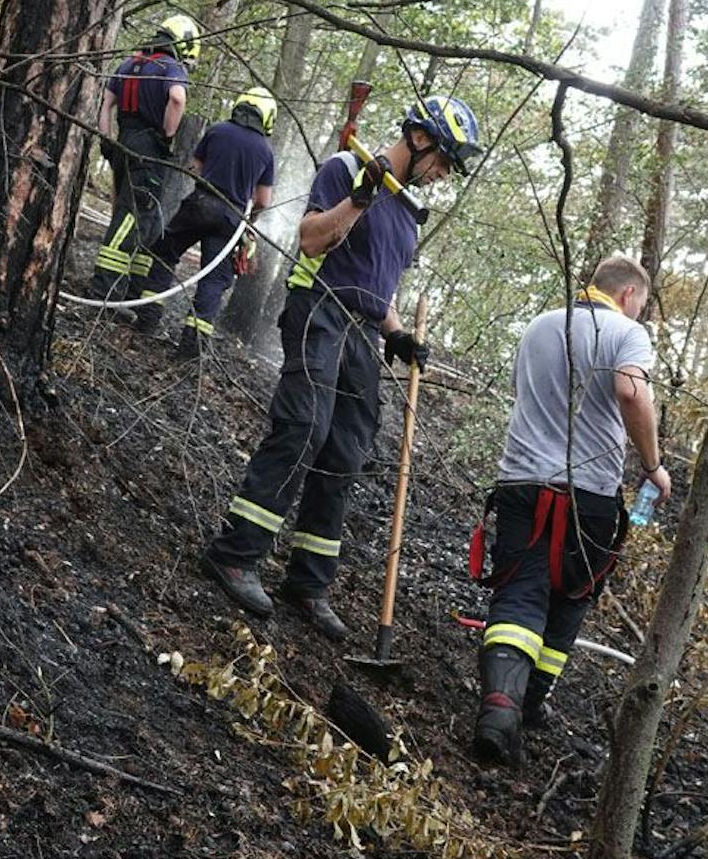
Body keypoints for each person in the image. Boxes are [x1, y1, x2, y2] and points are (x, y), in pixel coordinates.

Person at [201, 97, 484, 638]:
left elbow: (383, 289)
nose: (444, 174)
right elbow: (311, 240)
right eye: (444, 160)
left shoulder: (408, 213)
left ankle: (307, 582)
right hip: (319, 311)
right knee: (305, 425)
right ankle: (234, 553)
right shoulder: (346, 170)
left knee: (347, 448)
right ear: (421, 139)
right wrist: (360, 198)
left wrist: (397, 334)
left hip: (361, 330)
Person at [471, 255, 671, 767]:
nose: (640, 312)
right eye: (641, 304)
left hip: (521, 483)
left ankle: (501, 707)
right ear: (629, 295)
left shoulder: (540, 325)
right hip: (589, 494)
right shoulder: (626, 332)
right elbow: (630, 390)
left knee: (519, 590)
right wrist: (652, 464)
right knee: (572, 595)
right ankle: (530, 701)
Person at [137, 87, 277, 355]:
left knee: (166, 251)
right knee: (214, 279)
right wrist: (248, 221)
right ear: (267, 116)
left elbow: (195, 168)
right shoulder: (265, 150)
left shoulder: (217, 130)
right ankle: (192, 346)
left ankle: (147, 317)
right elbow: (263, 200)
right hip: (231, 217)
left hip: (200, 203)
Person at [89, 14, 200, 302]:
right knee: (133, 214)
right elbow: (177, 99)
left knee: (147, 220)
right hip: (149, 147)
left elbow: (105, 104)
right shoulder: (171, 67)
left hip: (124, 140)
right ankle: (105, 288)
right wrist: (167, 134)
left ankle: (132, 289)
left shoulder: (129, 64)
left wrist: (107, 139)